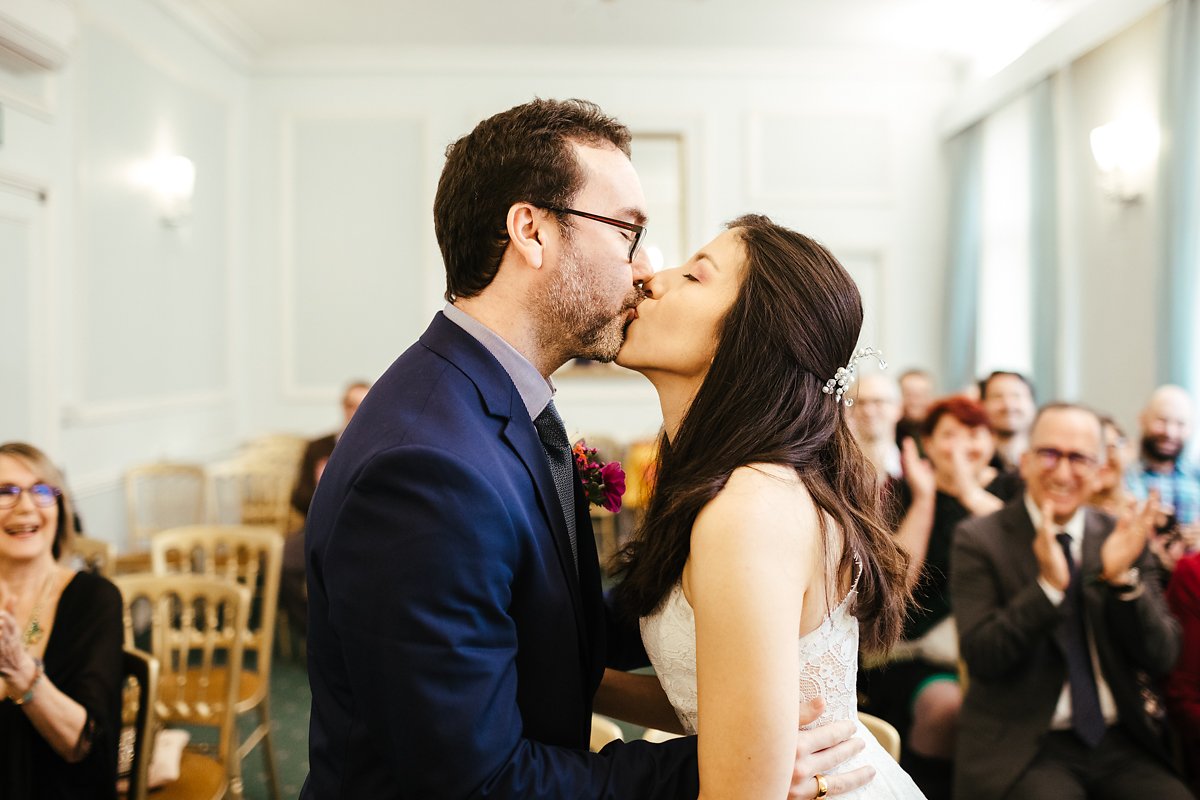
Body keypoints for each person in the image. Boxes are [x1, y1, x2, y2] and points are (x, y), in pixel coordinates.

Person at [302, 99, 870, 799]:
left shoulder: (500, 406)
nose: (643, 270)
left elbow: (556, 620)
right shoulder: (425, 466)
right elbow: (475, 784)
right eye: (628, 231)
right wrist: (738, 764)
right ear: (531, 232)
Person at [611, 214, 922, 799]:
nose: (653, 279)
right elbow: (719, 701)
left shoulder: (751, 508)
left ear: (748, 339)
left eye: (695, 276)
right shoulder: (739, 485)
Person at [950, 404, 1190, 800]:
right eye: (1049, 454)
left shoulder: (1119, 535)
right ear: (1025, 462)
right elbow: (982, 656)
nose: (1062, 472)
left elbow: (1162, 655)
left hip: (1119, 740)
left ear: (1098, 472)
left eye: (1078, 458)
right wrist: (1047, 588)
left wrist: (1122, 581)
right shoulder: (980, 539)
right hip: (1027, 744)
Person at [857, 396, 1023, 800]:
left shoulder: (1011, 488)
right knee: (945, 708)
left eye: (974, 432)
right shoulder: (901, 491)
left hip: (996, 646)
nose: (962, 445)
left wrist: (966, 488)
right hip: (913, 652)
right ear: (926, 443)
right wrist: (927, 499)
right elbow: (895, 588)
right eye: (949, 434)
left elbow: (1022, 557)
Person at [0, 442, 124, 799]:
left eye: (41, 490)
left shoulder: (94, 599)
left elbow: (84, 746)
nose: (26, 506)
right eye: (7, 491)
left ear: (59, 508)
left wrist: (20, 671)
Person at [281, 379, 371, 639]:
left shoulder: (380, 446)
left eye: (362, 405)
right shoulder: (318, 447)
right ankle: (313, 632)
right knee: (282, 562)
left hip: (360, 533)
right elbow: (297, 498)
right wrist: (322, 489)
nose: (355, 411)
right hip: (317, 528)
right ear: (343, 407)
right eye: (351, 405)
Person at [848, 372, 904, 486]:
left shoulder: (913, 468)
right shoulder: (837, 468)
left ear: (898, 409)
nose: (868, 411)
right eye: (860, 402)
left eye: (878, 402)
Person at [978, 370, 1036, 472]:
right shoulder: (974, 462)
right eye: (997, 396)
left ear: (1032, 404)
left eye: (1016, 396)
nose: (1008, 405)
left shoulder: (1046, 459)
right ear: (981, 405)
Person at [897, 369, 935, 448]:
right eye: (908, 394)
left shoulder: (937, 430)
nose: (915, 402)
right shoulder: (889, 430)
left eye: (921, 395)